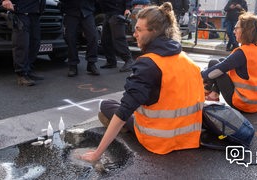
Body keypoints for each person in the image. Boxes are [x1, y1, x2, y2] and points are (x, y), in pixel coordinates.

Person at [78, 2, 204, 161]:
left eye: (138, 29)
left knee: (106, 105)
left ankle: (127, 131)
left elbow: (124, 111)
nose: (134, 34)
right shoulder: (186, 60)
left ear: (154, 32)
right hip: (189, 139)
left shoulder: (148, 64)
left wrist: (96, 154)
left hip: (158, 140)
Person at [201, 12, 257, 113]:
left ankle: (210, 94)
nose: (234, 31)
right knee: (218, 63)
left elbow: (219, 69)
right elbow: (224, 64)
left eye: (236, 28)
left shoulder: (242, 53)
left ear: (245, 31)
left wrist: (199, 75)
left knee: (214, 65)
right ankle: (213, 95)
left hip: (244, 103)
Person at [2, 0, 46, 86]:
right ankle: (21, 74)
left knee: (35, 43)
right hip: (21, 12)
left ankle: (28, 70)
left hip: (34, 13)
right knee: (21, 44)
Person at [60, 0, 100, 77]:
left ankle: (91, 63)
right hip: (71, 12)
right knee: (71, 38)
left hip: (87, 11)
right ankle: (73, 65)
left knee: (93, 36)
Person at [98, 0, 134, 72]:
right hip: (108, 13)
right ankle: (111, 61)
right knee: (105, 39)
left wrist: (128, 8)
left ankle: (129, 61)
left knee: (118, 38)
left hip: (118, 12)